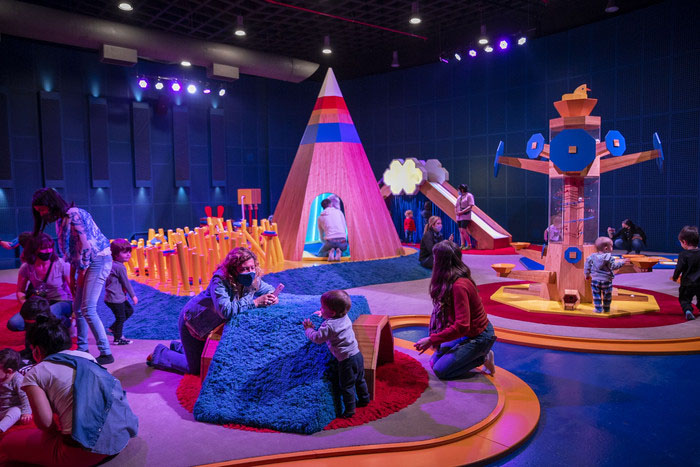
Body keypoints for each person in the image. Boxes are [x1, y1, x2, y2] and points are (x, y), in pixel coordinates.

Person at [0, 315, 138, 466]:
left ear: (37, 350)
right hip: (123, 436)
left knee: (8, 442)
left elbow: (46, 424)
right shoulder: (86, 356)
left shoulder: (35, 373)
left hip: (85, 453)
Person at [149, 247, 279, 375]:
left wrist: (272, 296)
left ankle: (180, 347)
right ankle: (160, 353)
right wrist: (255, 302)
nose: (250, 272)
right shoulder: (220, 280)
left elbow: (268, 289)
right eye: (244, 269)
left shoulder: (253, 278)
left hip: (212, 325)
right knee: (196, 369)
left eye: (252, 267)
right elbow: (225, 311)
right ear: (233, 270)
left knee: (210, 359)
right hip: (193, 323)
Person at [32, 188, 114, 365]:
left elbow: (86, 246)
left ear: (50, 204)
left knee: (88, 308)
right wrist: (73, 277)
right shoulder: (61, 220)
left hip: (98, 260)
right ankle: (83, 348)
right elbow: (70, 253)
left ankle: (106, 353)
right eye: (39, 211)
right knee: (78, 308)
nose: (42, 214)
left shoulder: (73, 214)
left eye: (42, 209)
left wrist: (81, 273)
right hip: (85, 263)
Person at [414, 240, 496, 379]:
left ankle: (483, 356)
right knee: (433, 362)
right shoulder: (449, 280)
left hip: (479, 336)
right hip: (467, 333)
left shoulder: (459, 286)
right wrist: (435, 338)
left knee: (441, 370)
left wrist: (432, 339)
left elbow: (462, 325)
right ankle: (473, 353)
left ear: (441, 262)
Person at [303, 290, 369, 418]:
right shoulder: (345, 316)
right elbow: (334, 320)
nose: (320, 309)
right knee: (360, 379)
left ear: (332, 313)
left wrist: (308, 329)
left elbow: (317, 338)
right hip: (357, 355)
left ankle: (350, 410)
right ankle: (365, 399)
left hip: (346, 361)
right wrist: (324, 314)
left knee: (346, 386)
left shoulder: (329, 326)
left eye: (323, 308)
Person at [8, 232, 73, 333]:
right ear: (34, 249)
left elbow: (74, 289)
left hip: (63, 301)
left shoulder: (62, 264)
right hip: (41, 303)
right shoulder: (26, 267)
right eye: (43, 248)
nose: (48, 251)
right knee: (14, 323)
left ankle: (65, 322)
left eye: (50, 247)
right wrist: (26, 305)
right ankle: (52, 324)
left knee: (44, 316)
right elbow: (20, 291)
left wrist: (77, 310)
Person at [104, 239, 138, 345]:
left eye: (129, 252)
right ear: (115, 255)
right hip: (115, 298)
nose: (128, 255)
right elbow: (126, 283)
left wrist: (123, 295)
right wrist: (133, 296)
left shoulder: (114, 265)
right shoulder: (119, 267)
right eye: (124, 252)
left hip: (116, 296)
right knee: (121, 317)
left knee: (129, 311)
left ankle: (114, 328)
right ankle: (117, 338)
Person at [584, 237, 628, 313]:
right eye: (612, 246)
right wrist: (622, 262)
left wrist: (587, 275)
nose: (612, 248)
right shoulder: (609, 258)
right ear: (606, 248)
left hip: (595, 280)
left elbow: (587, 266)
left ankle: (598, 309)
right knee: (607, 295)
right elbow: (614, 266)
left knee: (596, 295)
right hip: (606, 280)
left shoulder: (591, 257)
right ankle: (606, 308)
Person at [671, 226, 700, 321]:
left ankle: (688, 310)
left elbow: (679, 268)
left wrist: (675, 277)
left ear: (684, 242)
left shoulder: (683, 255)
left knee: (684, 299)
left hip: (687, 283)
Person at [0, 348, 32, 433]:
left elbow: (25, 396)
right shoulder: (1, 376)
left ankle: (1, 427)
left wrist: (26, 413)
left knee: (16, 412)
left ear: (8, 371)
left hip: (11, 408)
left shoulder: (18, 380)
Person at [317, 197, 348, 262]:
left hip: (330, 241)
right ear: (331, 204)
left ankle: (329, 253)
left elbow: (321, 234)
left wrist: (324, 242)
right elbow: (344, 226)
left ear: (323, 207)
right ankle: (340, 253)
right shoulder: (339, 212)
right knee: (347, 253)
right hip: (342, 240)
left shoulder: (320, 218)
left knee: (320, 254)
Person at [455, 184, 474, 250]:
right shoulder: (459, 197)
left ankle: (469, 244)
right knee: (460, 230)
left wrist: (462, 212)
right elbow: (456, 206)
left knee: (463, 229)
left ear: (462, 190)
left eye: (458, 190)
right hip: (459, 216)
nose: (458, 191)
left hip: (465, 216)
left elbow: (470, 206)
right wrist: (456, 212)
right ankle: (462, 244)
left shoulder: (469, 195)